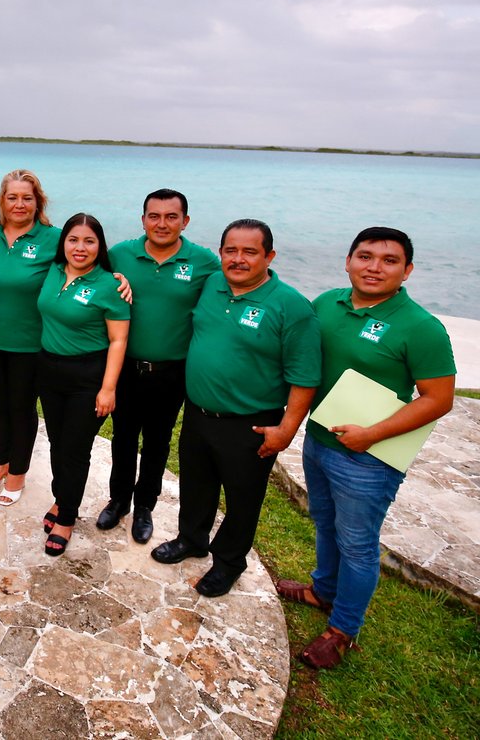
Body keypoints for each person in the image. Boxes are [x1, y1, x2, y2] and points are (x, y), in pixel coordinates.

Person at [276, 227, 455, 669]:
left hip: (368, 458)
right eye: (365, 256)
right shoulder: (326, 304)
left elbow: (439, 399)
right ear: (348, 261)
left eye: (389, 260)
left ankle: (342, 630)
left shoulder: (420, 327)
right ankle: (322, 590)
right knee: (324, 521)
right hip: (319, 440)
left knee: (357, 544)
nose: (375, 267)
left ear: (407, 270)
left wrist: (372, 434)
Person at [152, 219, 321, 597]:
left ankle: (228, 562)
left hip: (251, 423)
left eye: (249, 252)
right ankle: (191, 540)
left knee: (243, 499)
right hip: (198, 413)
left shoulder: (290, 306)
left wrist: (287, 429)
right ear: (220, 253)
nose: (238, 259)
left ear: (269, 256)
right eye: (231, 250)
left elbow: (305, 376)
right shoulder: (211, 284)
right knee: (196, 485)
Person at [103, 189, 219, 543]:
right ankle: (119, 499)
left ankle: (144, 507)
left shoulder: (204, 262)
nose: (162, 224)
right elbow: (90, 280)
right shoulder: (120, 254)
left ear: (185, 221)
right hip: (126, 367)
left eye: (171, 217)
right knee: (122, 437)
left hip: (172, 371)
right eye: (154, 216)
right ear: (143, 220)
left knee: (157, 442)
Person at [0, 169, 61, 507]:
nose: (19, 204)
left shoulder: (54, 238)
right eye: (12, 197)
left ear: (38, 202)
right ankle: (0, 463)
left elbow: (86, 267)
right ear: (2, 201)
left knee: (21, 407)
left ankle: (18, 471)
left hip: (30, 342)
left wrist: (119, 277)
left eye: (27, 198)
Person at [37, 214, 130, 556]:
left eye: (89, 241)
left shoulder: (110, 285)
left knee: (76, 450)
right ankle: (62, 499)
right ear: (63, 242)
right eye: (73, 239)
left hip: (87, 377)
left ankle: (67, 517)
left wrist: (108, 389)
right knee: (58, 442)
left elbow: (118, 341)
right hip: (49, 369)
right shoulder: (53, 270)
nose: (80, 247)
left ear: (100, 246)